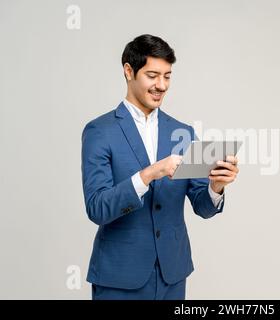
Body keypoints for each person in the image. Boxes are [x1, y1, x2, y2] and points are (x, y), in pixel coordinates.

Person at [81, 34, 239, 300]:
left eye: (167, 76)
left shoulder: (182, 132)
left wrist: (216, 185)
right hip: (119, 277)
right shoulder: (99, 131)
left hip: (172, 275)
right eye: (153, 75)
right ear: (129, 71)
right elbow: (97, 207)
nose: (161, 85)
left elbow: (203, 206)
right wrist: (148, 174)